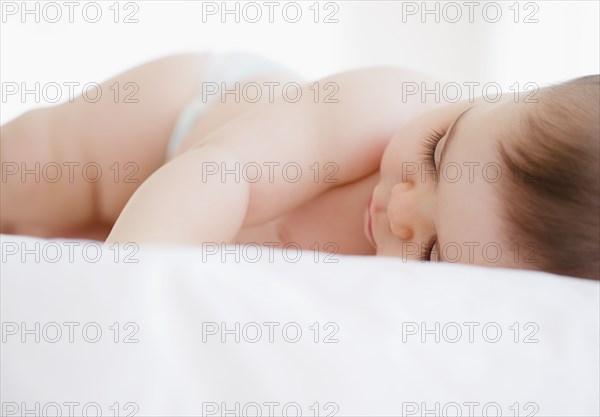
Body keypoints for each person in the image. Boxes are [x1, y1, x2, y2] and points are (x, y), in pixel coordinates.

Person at [1, 52, 598, 279]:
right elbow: (224, 175)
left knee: (49, 245)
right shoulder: (386, 104)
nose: (402, 206)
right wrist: (122, 289)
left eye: (433, 252)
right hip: (172, 131)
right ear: (490, 97)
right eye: (438, 151)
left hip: (206, 240)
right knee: (28, 173)